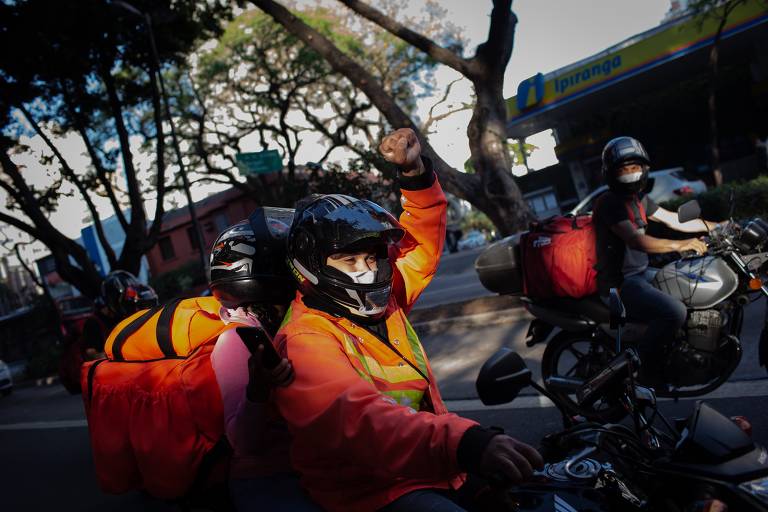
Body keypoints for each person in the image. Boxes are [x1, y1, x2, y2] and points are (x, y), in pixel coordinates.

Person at [273, 128, 543, 512]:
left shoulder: (386, 299)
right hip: (371, 490)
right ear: (312, 266)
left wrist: (416, 176)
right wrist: (465, 442)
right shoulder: (304, 339)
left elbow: (421, 244)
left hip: (434, 464)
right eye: (349, 261)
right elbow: (360, 420)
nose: (366, 271)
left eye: (372, 258)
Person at [207, 212, 322, 511]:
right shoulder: (236, 340)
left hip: (315, 463)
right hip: (269, 477)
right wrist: (258, 390)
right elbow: (244, 443)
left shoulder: (292, 319)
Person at [593, 136, 721, 385]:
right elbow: (635, 240)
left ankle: (676, 353)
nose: (631, 174)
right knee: (674, 312)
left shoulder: (638, 200)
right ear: (611, 173)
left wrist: (719, 226)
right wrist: (680, 244)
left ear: (643, 169)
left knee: (691, 286)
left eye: (635, 167)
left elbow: (674, 219)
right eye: (623, 169)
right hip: (619, 284)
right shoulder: (609, 203)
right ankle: (642, 371)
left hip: (640, 274)